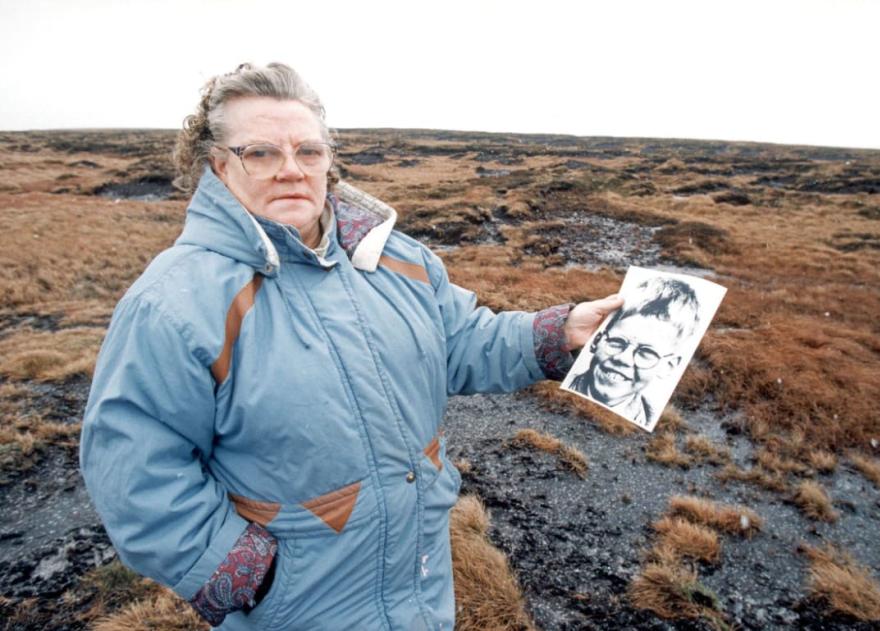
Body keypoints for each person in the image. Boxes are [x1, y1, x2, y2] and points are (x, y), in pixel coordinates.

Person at [79, 62, 623, 630]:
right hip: (298, 609)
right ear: (218, 165)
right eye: (260, 153)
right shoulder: (174, 304)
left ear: (328, 161)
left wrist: (558, 333)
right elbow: (134, 470)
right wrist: (248, 574)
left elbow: (461, 341)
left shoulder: (399, 260)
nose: (291, 170)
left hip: (421, 587)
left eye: (308, 152)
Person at [567, 277, 700, 427]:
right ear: (596, 340)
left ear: (668, 366)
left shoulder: (653, 421)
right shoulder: (555, 389)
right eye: (617, 342)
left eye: (646, 353)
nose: (623, 359)